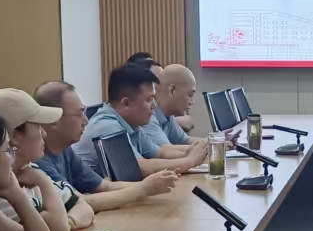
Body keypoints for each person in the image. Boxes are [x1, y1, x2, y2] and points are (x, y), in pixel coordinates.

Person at [32, 80, 178, 211]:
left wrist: (153, 186)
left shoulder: (65, 150)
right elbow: (79, 202)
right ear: (54, 120)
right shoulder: (37, 160)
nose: (86, 121)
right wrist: (143, 189)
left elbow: (103, 186)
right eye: (80, 113)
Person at [0, 87, 84, 231]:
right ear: (14, 136)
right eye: (37, 126)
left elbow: (82, 205)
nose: (44, 134)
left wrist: (69, 221)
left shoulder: (28, 169)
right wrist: (44, 183)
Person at [79, 62, 207, 177]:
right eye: (149, 100)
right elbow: (140, 168)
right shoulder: (107, 126)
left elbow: (160, 153)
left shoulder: (133, 125)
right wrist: (190, 161)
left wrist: (197, 151)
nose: (154, 106)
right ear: (126, 103)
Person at [142, 63, 199, 156]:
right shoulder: (148, 115)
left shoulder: (168, 116)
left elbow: (186, 140)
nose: (192, 102)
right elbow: (166, 151)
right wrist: (212, 146)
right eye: (190, 95)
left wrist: (217, 141)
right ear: (172, 90)